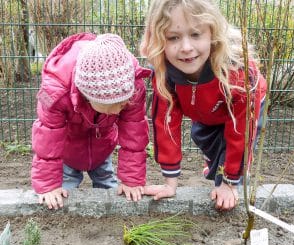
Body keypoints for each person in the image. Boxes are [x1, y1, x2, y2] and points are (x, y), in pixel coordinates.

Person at [141, 0, 267, 211]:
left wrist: (228, 182)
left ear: (212, 33)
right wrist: (170, 183)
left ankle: (232, 179)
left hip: (241, 109)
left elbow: (240, 132)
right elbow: (165, 123)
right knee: (202, 136)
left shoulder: (238, 73)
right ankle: (216, 166)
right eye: (173, 37)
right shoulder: (164, 71)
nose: (186, 48)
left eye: (196, 35)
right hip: (205, 107)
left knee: (231, 147)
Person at [31, 32, 151, 209]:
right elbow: (48, 138)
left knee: (107, 184)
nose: (118, 110)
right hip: (68, 150)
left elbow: (134, 133)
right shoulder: (55, 92)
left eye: (122, 104)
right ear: (86, 96)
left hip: (103, 145)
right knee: (62, 194)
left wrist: (132, 180)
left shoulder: (131, 85)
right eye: (111, 106)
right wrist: (49, 186)